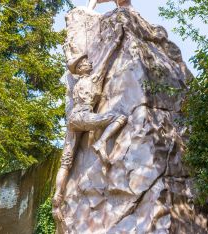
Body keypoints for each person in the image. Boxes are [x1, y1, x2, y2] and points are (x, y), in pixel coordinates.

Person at [52, 23, 127, 223]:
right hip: (84, 117)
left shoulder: (77, 84)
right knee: (120, 117)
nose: (89, 63)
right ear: (80, 68)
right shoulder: (93, 79)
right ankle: (102, 142)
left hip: (73, 120)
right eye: (84, 63)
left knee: (66, 161)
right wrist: (118, 39)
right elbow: (107, 56)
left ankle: (56, 201)